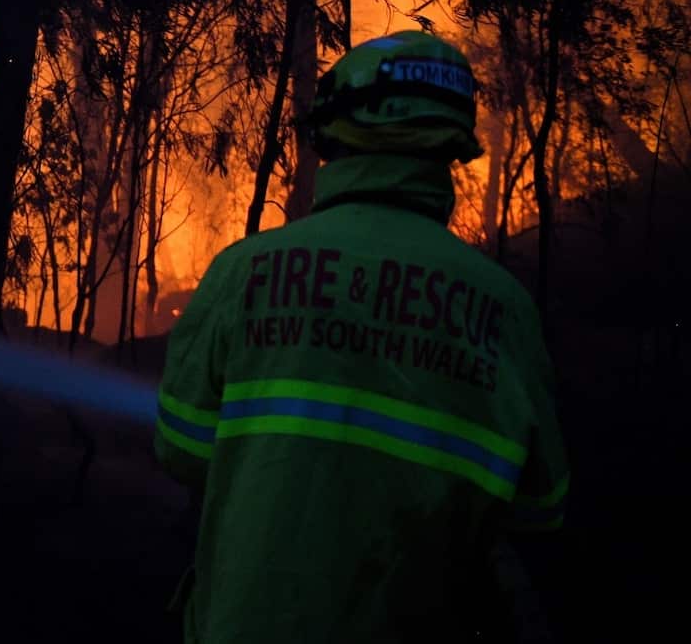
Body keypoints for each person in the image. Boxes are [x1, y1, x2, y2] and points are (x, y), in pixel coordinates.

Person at [155, 31, 569, 643]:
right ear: (452, 145)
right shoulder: (504, 309)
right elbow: (541, 508)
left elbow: (182, 449)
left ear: (333, 134)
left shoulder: (245, 271)